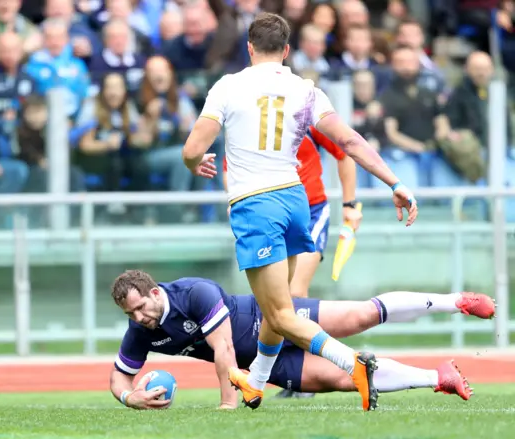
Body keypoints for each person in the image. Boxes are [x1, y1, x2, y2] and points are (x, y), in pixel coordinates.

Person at [181, 12, 417, 412]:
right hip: (296, 201)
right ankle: (255, 382)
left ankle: (352, 363)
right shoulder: (307, 90)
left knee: (280, 312)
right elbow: (350, 141)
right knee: (278, 309)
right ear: (287, 50)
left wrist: (193, 163)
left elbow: (191, 149)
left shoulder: (228, 86)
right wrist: (395, 183)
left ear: (250, 47)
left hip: (256, 205)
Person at [109, 270, 495, 410]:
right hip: (269, 364)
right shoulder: (141, 331)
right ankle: (438, 378)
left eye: (141, 307)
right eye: (131, 314)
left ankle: (456, 302)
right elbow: (118, 376)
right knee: (347, 378)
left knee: (360, 316)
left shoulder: (193, 292)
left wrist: (229, 407)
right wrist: (131, 397)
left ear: (155, 292)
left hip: (275, 318)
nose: (138, 317)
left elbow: (223, 348)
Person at [223, 124, 362, 400]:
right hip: (269, 215)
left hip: (310, 212)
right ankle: (292, 377)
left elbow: (344, 152)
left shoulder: (306, 117)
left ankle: (318, 371)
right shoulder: (248, 122)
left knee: (294, 294)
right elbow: (231, 168)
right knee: (278, 304)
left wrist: (350, 204)